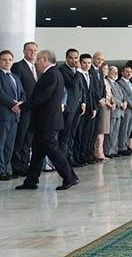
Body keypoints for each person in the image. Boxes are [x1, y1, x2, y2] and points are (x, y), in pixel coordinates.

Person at [15, 50, 79, 191]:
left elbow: (42, 96)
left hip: (47, 121)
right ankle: (31, 180)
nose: (36, 62)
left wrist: (22, 106)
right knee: (37, 152)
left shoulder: (51, 74)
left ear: (45, 60)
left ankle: (70, 177)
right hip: (44, 121)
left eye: (38, 59)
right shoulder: (54, 73)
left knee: (53, 150)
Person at [10, 42, 38, 177]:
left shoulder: (37, 67)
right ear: (24, 51)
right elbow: (15, 88)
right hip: (23, 108)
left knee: (29, 139)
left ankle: (25, 165)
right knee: (20, 137)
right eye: (29, 50)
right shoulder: (18, 66)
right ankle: (16, 166)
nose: (32, 52)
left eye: (35, 50)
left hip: (35, 109)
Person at [58, 49, 87, 166]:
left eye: (76, 58)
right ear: (66, 58)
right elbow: (72, 84)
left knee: (72, 134)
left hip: (77, 107)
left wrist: (83, 102)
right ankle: (63, 160)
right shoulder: (62, 70)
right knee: (65, 135)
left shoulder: (77, 71)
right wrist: (79, 71)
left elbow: (82, 88)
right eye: (71, 58)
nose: (74, 60)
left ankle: (70, 158)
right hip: (68, 107)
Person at [0, 50, 25, 181]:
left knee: (9, 144)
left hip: (15, 115)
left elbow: (22, 93)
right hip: (3, 115)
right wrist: (14, 104)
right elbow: (1, 94)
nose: (7, 62)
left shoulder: (15, 76)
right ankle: (1, 171)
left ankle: (7, 169)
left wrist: (21, 104)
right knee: (1, 143)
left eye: (10, 60)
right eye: (4, 60)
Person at [72, 53, 97, 167]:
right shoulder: (78, 74)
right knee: (79, 134)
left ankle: (84, 155)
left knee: (87, 134)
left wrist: (94, 108)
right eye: (84, 63)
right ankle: (77, 156)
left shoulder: (90, 75)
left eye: (89, 63)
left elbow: (91, 93)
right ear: (80, 63)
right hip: (80, 109)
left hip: (89, 109)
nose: (87, 65)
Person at [116, 65, 132, 156]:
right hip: (126, 109)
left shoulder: (131, 84)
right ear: (122, 73)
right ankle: (121, 147)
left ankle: (125, 146)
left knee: (129, 129)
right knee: (124, 128)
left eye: (130, 72)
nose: (129, 73)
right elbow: (124, 96)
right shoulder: (120, 83)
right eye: (127, 72)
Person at [94, 63, 114, 162]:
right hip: (103, 106)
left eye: (107, 69)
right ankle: (98, 152)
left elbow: (110, 93)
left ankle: (101, 152)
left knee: (104, 131)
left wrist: (113, 102)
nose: (107, 70)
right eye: (105, 68)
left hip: (108, 107)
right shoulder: (100, 80)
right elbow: (102, 95)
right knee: (101, 130)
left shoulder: (106, 80)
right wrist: (109, 104)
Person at [105, 66, 126, 158]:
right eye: (114, 72)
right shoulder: (107, 82)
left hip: (120, 111)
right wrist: (120, 103)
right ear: (109, 72)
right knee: (110, 133)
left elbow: (122, 96)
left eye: (117, 72)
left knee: (115, 133)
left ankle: (114, 151)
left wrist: (124, 102)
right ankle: (108, 151)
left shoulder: (116, 84)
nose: (116, 73)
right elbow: (112, 96)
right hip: (113, 111)